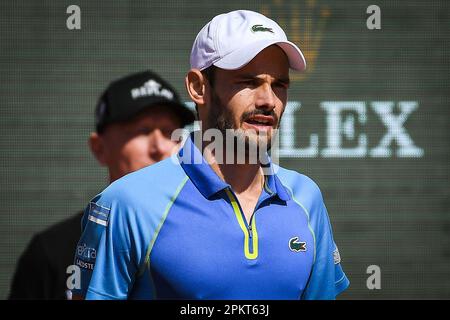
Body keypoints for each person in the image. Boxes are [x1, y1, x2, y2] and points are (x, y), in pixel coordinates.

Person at [73, 10, 349, 300]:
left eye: (279, 84)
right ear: (198, 88)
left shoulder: (307, 198)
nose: (269, 100)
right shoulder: (126, 203)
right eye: (248, 82)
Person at [8, 70, 195, 300]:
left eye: (171, 133)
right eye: (143, 131)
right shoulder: (52, 250)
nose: (160, 148)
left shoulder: (210, 236)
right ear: (99, 148)